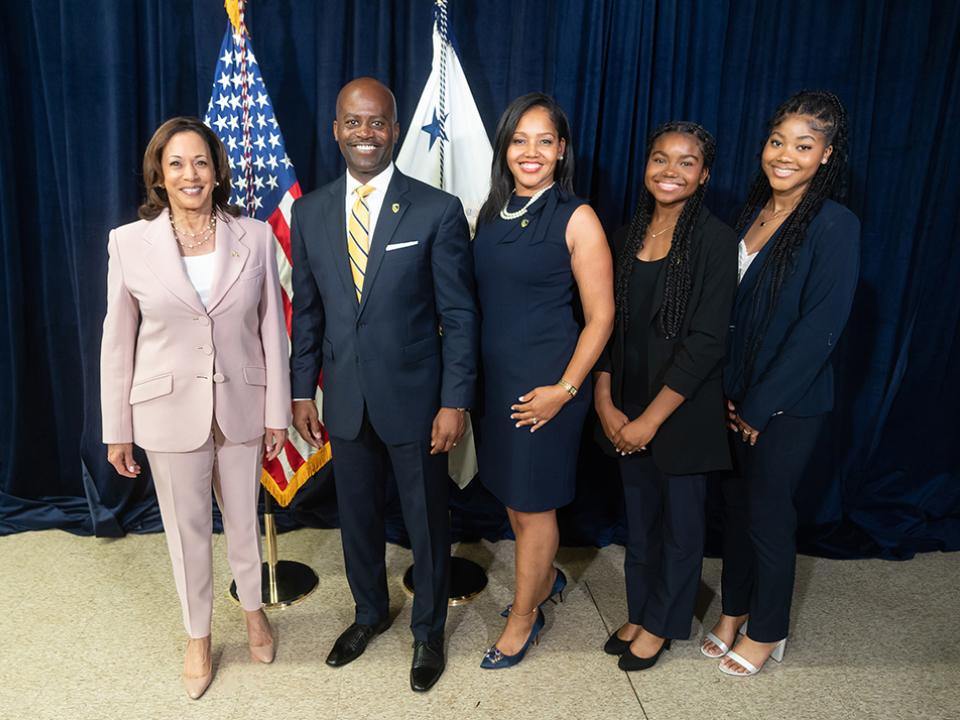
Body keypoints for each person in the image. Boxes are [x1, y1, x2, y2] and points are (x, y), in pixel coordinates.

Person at [289, 78, 478, 693]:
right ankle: (368, 613)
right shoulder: (310, 210)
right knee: (358, 519)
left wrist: (455, 401)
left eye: (376, 123)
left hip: (418, 403)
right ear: (336, 129)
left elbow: (459, 315)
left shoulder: (435, 210)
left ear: (395, 131)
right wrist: (300, 392)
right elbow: (310, 313)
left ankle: (428, 633)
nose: (364, 134)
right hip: (343, 399)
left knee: (426, 522)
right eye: (352, 122)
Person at [100, 116, 291, 699]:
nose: (190, 173)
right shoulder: (129, 243)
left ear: (216, 171)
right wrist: (117, 430)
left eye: (201, 162)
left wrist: (277, 413)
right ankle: (198, 635)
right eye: (177, 162)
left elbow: (272, 332)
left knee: (242, 521)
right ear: (160, 172)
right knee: (186, 531)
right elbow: (117, 340)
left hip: (242, 401)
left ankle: (254, 610)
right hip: (165, 411)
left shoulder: (255, 236)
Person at [701, 91, 860, 676]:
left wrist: (759, 407)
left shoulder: (834, 225)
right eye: (777, 141)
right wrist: (721, 393)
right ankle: (735, 609)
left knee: (767, 517)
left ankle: (769, 630)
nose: (785, 155)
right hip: (734, 397)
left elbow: (820, 329)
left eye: (803, 145)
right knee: (736, 510)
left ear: (826, 156)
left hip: (786, 407)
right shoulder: (751, 211)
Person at [472, 93, 614, 669]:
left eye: (545, 141)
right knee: (514, 500)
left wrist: (566, 390)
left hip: (549, 389)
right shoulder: (491, 211)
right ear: (506, 148)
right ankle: (548, 576)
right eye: (520, 140)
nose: (531, 152)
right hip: (497, 386)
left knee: (533, 509)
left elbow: (602, 316)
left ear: (561, 151)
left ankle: (524, 617)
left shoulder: (577, 217)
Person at [594, 122, 737, 671]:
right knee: (641, 521)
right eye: (660, 159)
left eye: (686, 162)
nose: (670, 171)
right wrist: (607, 403)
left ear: (704, 176)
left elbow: (705, 344)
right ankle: (640, 609)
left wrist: (650, 421)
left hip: (681, 411)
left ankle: (664, 622)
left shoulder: (716, 241)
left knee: (681, 529)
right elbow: (605, 325)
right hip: (626, 407)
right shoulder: (627, 234)